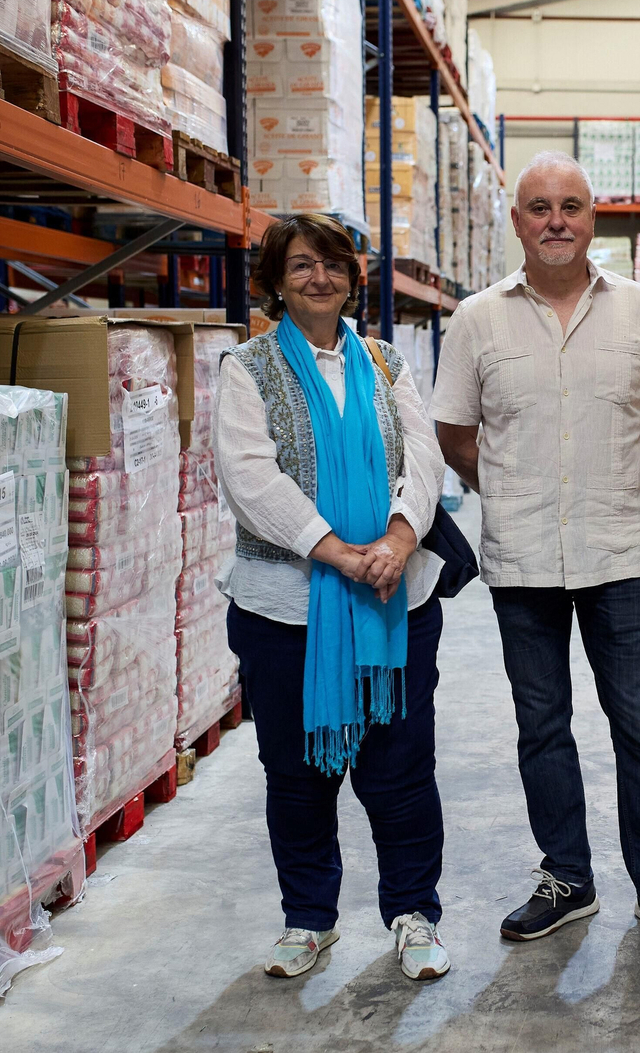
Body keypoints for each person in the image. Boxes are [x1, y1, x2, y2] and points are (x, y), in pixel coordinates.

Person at [430, 151, 640, 951]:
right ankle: (568, 878)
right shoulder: (477, 319)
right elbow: (453, 431)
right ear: (517, 221)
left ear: (594, 217)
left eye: (572, 206)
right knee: (542, 723)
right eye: (539, 207)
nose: (556, 220)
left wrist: (624, 480)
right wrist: (514, 488)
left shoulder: (639, 312)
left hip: (617, 552)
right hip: (521, 557)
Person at [214, 213, 452, 981]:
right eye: (302, 265)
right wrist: (340, 553)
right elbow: (250, 479)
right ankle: (309, 919)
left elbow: (425, 458)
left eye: (333, 264)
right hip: (286, 611)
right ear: (275, 281)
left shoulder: (386, 364)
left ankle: (414, 914)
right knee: (297, 773)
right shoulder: (245, 368)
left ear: (355, 277)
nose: (320, 277)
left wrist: (398, 541)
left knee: (402, 772)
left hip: (396, 603)